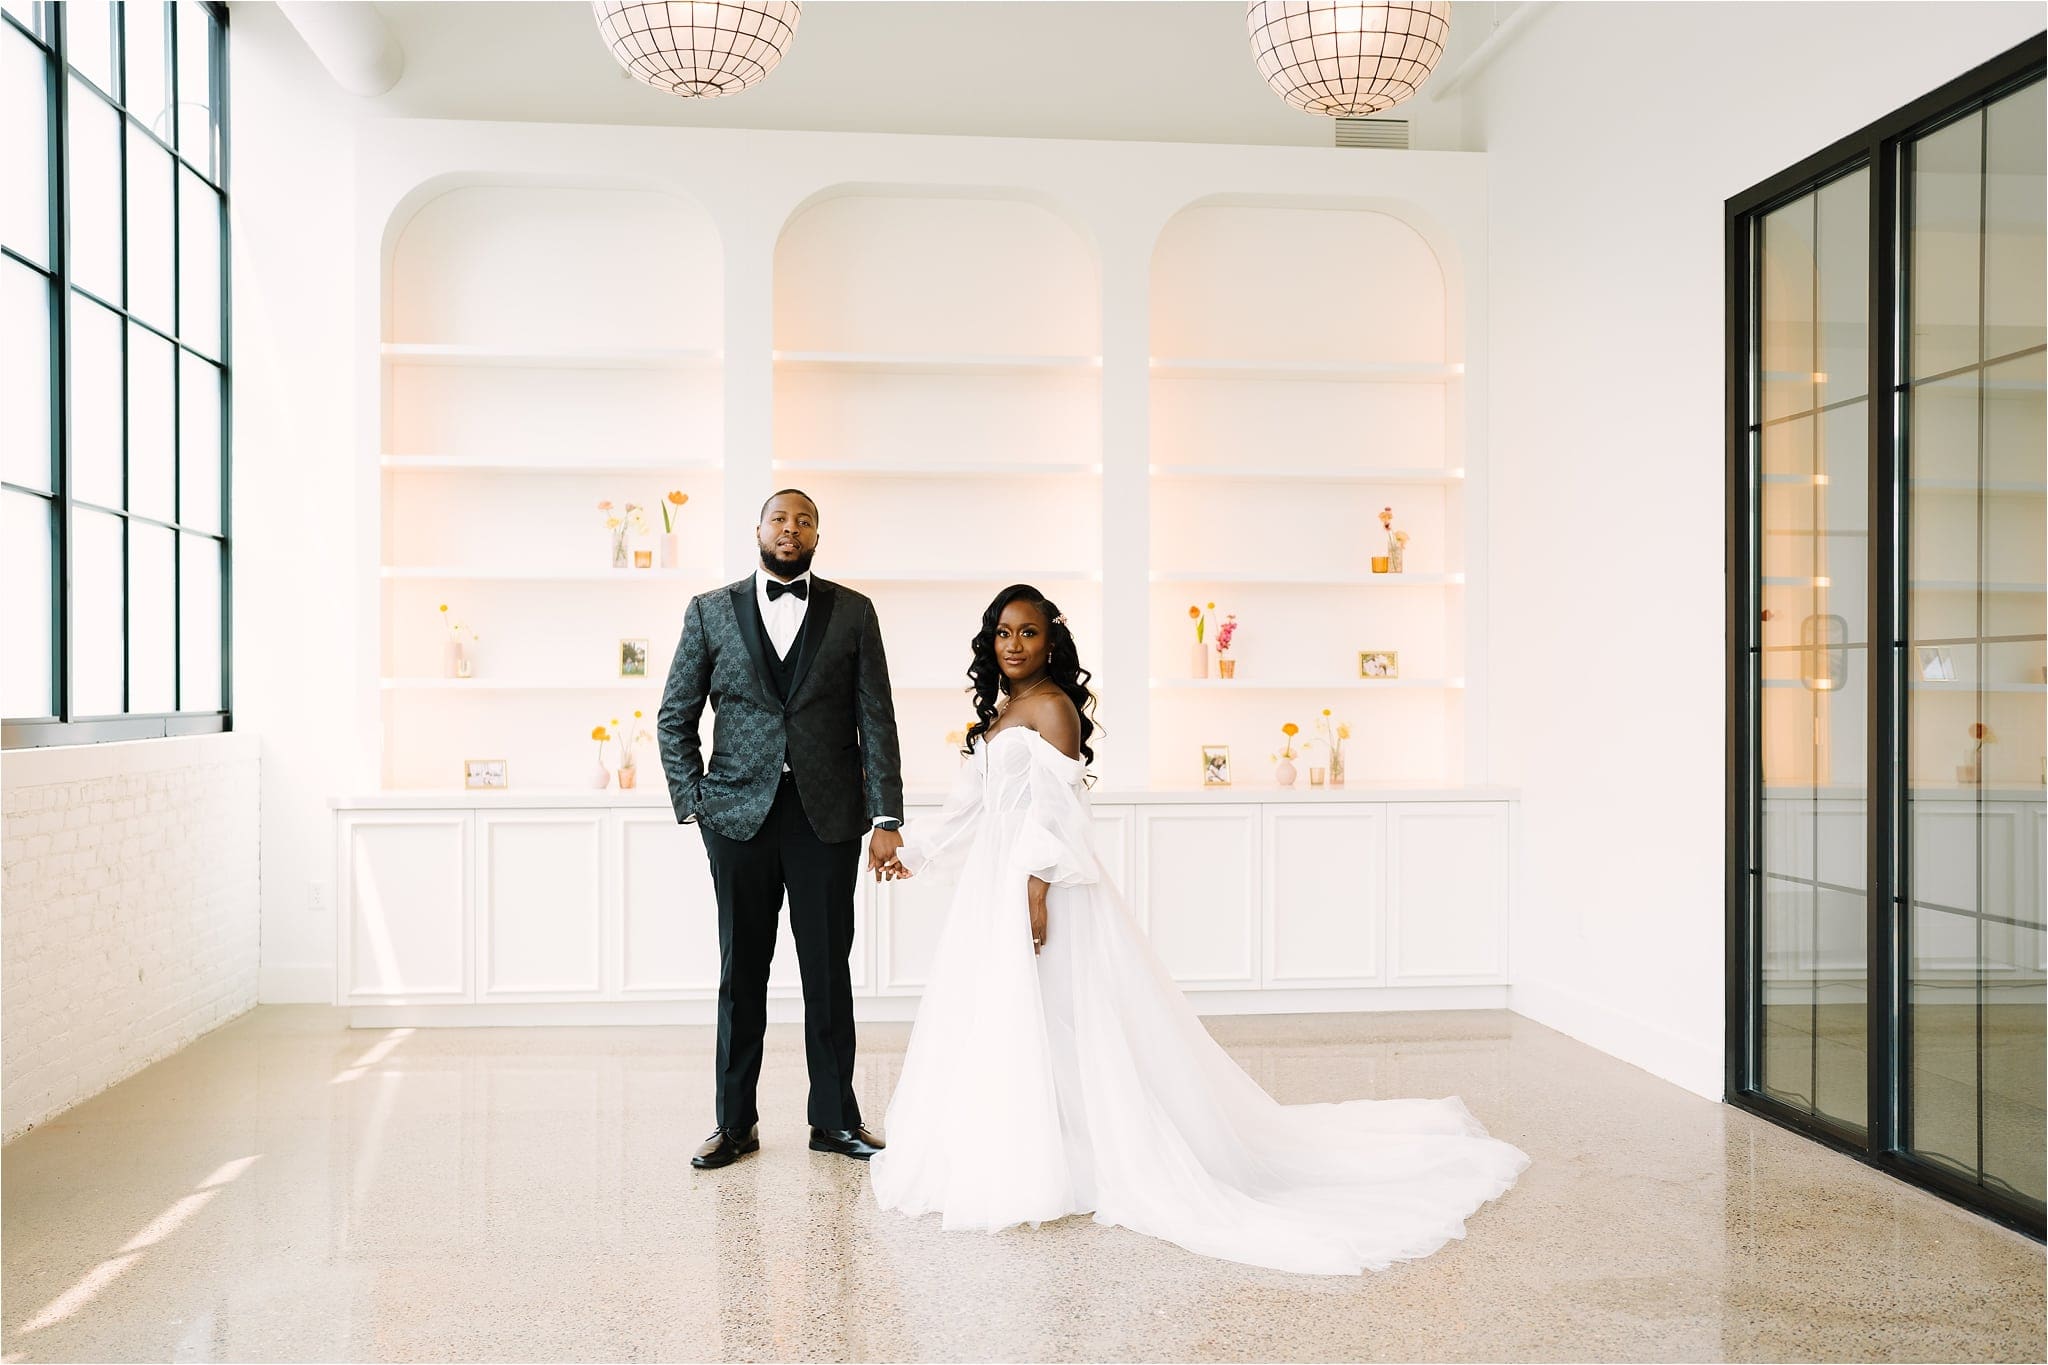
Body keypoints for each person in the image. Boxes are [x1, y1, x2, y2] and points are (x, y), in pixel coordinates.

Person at [867, 585, 1529, 1274]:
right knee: (1016, 1021)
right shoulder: (1004, 711)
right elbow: (973, 812)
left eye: (1028, 632)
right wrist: (910, 854)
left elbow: (1059, 812)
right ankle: (1041, 1147)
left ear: (1051, 642)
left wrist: (1036, 890)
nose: (1013, 644)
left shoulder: (1055, 708)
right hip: (991, 886)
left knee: (1065, 1017)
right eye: (1003, 632)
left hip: (1042, 884)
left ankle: (1084, 1152)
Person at [657, 490, 903, 1169]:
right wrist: (695, 804)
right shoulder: (709, 611)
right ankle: (734, 1123)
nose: (789, 529)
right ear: (757, 529)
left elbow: (875, 719)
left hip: (827, 819)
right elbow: (674, 716)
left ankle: (834, 1119)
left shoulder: (853, 612)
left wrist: (886, 816)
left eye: (803, 520)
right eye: (778, 519)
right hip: (737, 819)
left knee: (829, 971)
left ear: (818, 533)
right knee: (742, 973)